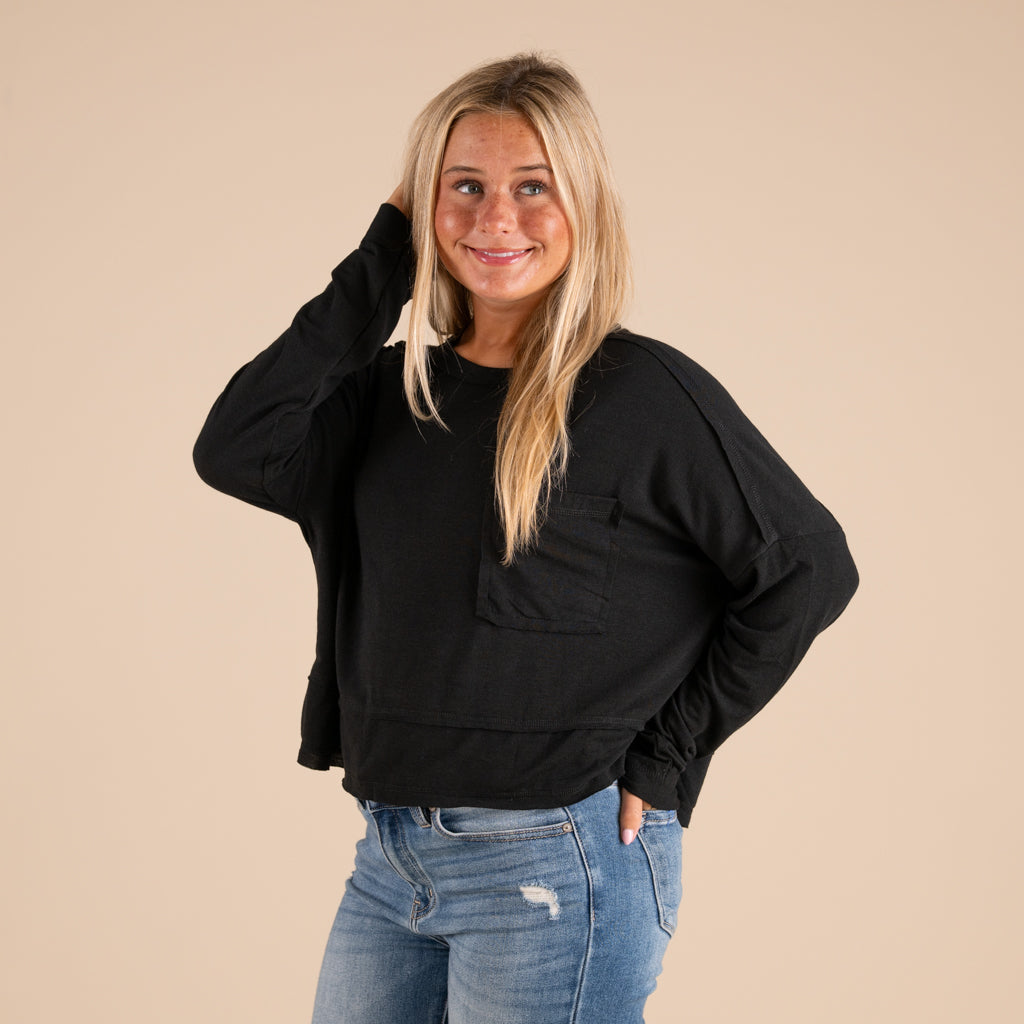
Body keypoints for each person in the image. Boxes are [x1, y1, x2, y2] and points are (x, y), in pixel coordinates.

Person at [193, 53, 858, 1024]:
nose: (495, 218)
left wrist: (667, 755)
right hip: (392, 856)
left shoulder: (640, 395)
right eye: (463, 186)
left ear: (583, 202)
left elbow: (807, 567)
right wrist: (383, 260)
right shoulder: (390, 396)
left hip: (558, 860)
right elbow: (235, 446)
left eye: (533, 187)